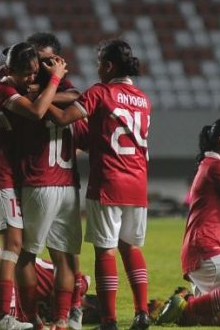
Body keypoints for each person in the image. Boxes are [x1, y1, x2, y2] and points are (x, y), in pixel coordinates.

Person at [46, 39, 152, 330]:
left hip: (108, 181)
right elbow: (99, 136)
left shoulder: (101, 93)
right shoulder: (143, 99)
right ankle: (142, 313)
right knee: (130, 248)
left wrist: (40, 103)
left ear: (108, 66)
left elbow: (67, 116)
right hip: (138, 182)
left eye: (98, 64)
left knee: (105, 251)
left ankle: (109, 320)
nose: (96, 69)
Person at [0, 41, 66, 330]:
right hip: (0, 178)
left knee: (16, 247)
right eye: (26, 74)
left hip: (14, 179)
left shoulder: (9, 86)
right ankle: (0, 318)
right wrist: (54, 79)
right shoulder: (3, 90)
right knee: (12, 246)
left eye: (35, 73)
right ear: (10, 71)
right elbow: (37, 112)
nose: (32, 78)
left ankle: (14, 317)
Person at [157, 118, 220, 326]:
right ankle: (185, 309)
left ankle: (190, 307)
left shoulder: (216, 166)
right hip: (207, 248)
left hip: (206, 249)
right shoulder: (217, 167)